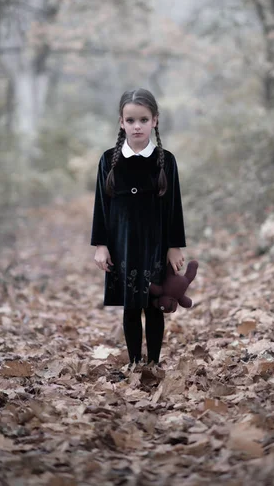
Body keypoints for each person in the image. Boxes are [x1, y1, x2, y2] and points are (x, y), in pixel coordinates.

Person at [91, 88, 186, 366]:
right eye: (130, 120)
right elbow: (101, 205)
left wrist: (174, 245)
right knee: (131, 307)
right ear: (121, 122)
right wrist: (101, 245)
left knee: (154, 306)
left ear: (154, 120)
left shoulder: (165, 160)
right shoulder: (108, 160)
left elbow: (173, 206)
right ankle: (134, 363)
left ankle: (153, 364)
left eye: (143, 120)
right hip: (122, 246)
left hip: (155, 246)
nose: (137, 126)